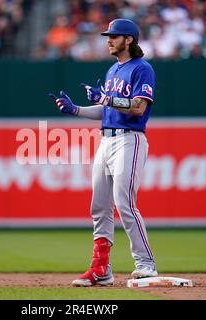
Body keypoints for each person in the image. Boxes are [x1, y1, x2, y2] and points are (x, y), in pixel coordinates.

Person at [49, 18, 158, 287]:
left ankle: (146, 264)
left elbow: (138, 107)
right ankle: (101, 269)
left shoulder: (142, 68)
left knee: (125, 203)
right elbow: (106, 110)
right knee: (99, 206)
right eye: (108, 36)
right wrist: (77, 110)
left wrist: (106, 99)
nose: (108, 40)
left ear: (129, 39)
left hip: (129, 140)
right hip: (106, 140)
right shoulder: (112, 71)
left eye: (114, 36)